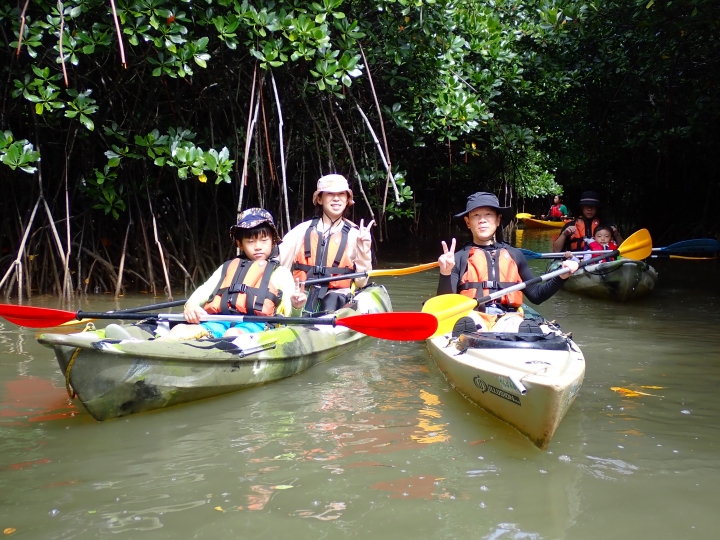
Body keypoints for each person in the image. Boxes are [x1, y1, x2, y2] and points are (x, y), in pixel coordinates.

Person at [437, 192, 579, 333]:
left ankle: (521, 334)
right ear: (468, 222)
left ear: (498, 220)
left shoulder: (515, 255)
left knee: (519, 325)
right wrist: (445, 273)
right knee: (469, 322)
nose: (482, 220)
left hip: (507, 317)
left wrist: (561, 277)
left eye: (488, 214)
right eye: (476, 215)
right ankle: (469, 333)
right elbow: (445, 306)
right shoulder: (459, 258)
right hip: (473, 315)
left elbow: (537, 295)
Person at [159, 208, 307, 340]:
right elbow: (205, 289)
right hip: (219, 321)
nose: (258, 247)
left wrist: (296, 306)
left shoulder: (281, 273)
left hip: (256, 326)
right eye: (250, 241)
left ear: (273, 241)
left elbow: (291, 320)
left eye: (264, 240)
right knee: (180, 329)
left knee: (232, 334)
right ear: (240, 244)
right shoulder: (228, 267)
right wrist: (191, 305)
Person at [280, 174, 374, 313]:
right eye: (330, 194)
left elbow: (361, 282)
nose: (336, 198)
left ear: (347, 200)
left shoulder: (355, 235)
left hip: (337, 298)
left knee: (332, 300)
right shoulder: (301, 231)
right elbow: (280, 268)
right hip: (301, 294)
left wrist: (364, 248)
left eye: (341, 194)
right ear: (319, 199)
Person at [552, 191, 623, 252]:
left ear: (597, 208)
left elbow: (622, 249)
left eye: (593, 206)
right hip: (575, 260)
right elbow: (556, 250)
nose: (589, 209)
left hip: (601, 260)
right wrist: (564, 234)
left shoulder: (607, 226)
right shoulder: (569, 226)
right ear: (581, 208)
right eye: (586, 206)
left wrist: (617, 235)